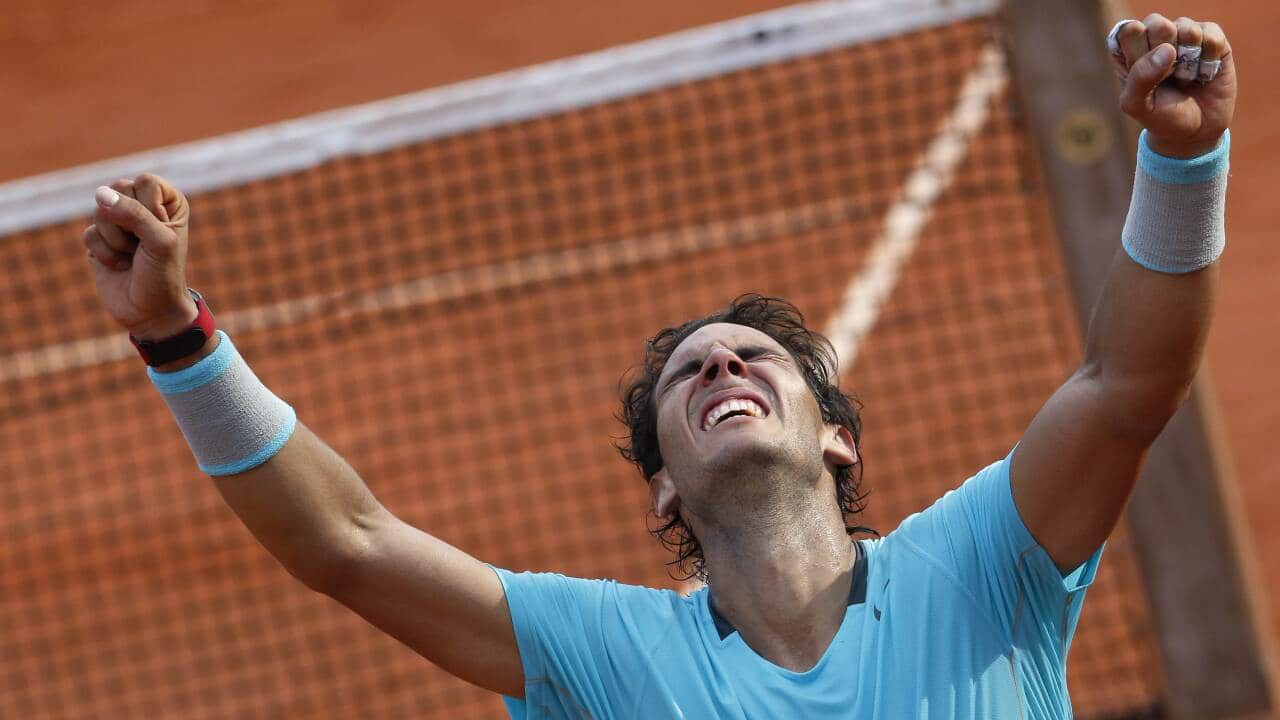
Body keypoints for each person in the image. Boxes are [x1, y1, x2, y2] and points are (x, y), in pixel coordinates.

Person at [80, 14, 1235, 719]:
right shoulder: (607, 654)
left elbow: (1124, 386)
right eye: (690, 374)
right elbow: (350, 544)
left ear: (837, 436)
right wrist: (176, 338)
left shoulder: (981, 567)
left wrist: (1185, 161)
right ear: (663, 489)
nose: (719, 362)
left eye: (750, 355)